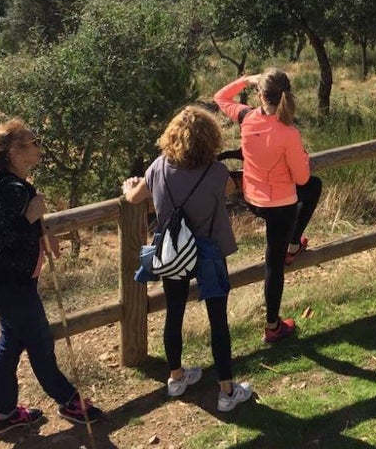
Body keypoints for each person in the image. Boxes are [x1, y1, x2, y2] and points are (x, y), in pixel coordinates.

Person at [121, 106, 253, 412]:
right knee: (218, 320)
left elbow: (134, 197)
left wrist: (128, 187)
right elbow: (231, 190)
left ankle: (176, 377)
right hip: (209, 252)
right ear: (210, 138)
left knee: (174, 313)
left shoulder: (157, 168)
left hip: (173, 252)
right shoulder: (217, 172)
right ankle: (226, 390)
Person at [0, 119, 102, 435]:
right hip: (12, 287)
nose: (39, 147)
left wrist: (40, 229)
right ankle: (69, 401)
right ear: (17, 152)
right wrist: (30, 218)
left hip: (3, 285)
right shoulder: (12, 190)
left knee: (11, 343)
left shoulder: (6, 182)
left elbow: (10, 230)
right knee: (41, 343)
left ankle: (4, 414)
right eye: (34, 142)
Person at [214, 68, 322, 343]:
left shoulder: (246, 117)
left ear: (260, 95)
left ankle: (293, 246)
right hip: (281, 206)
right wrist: (304, 158)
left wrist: (245, 80)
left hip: (253, 200)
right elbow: (301, 178)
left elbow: (220, 97)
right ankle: (293, 247)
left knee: (276, 258)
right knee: (274, 262)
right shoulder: (289, 132)